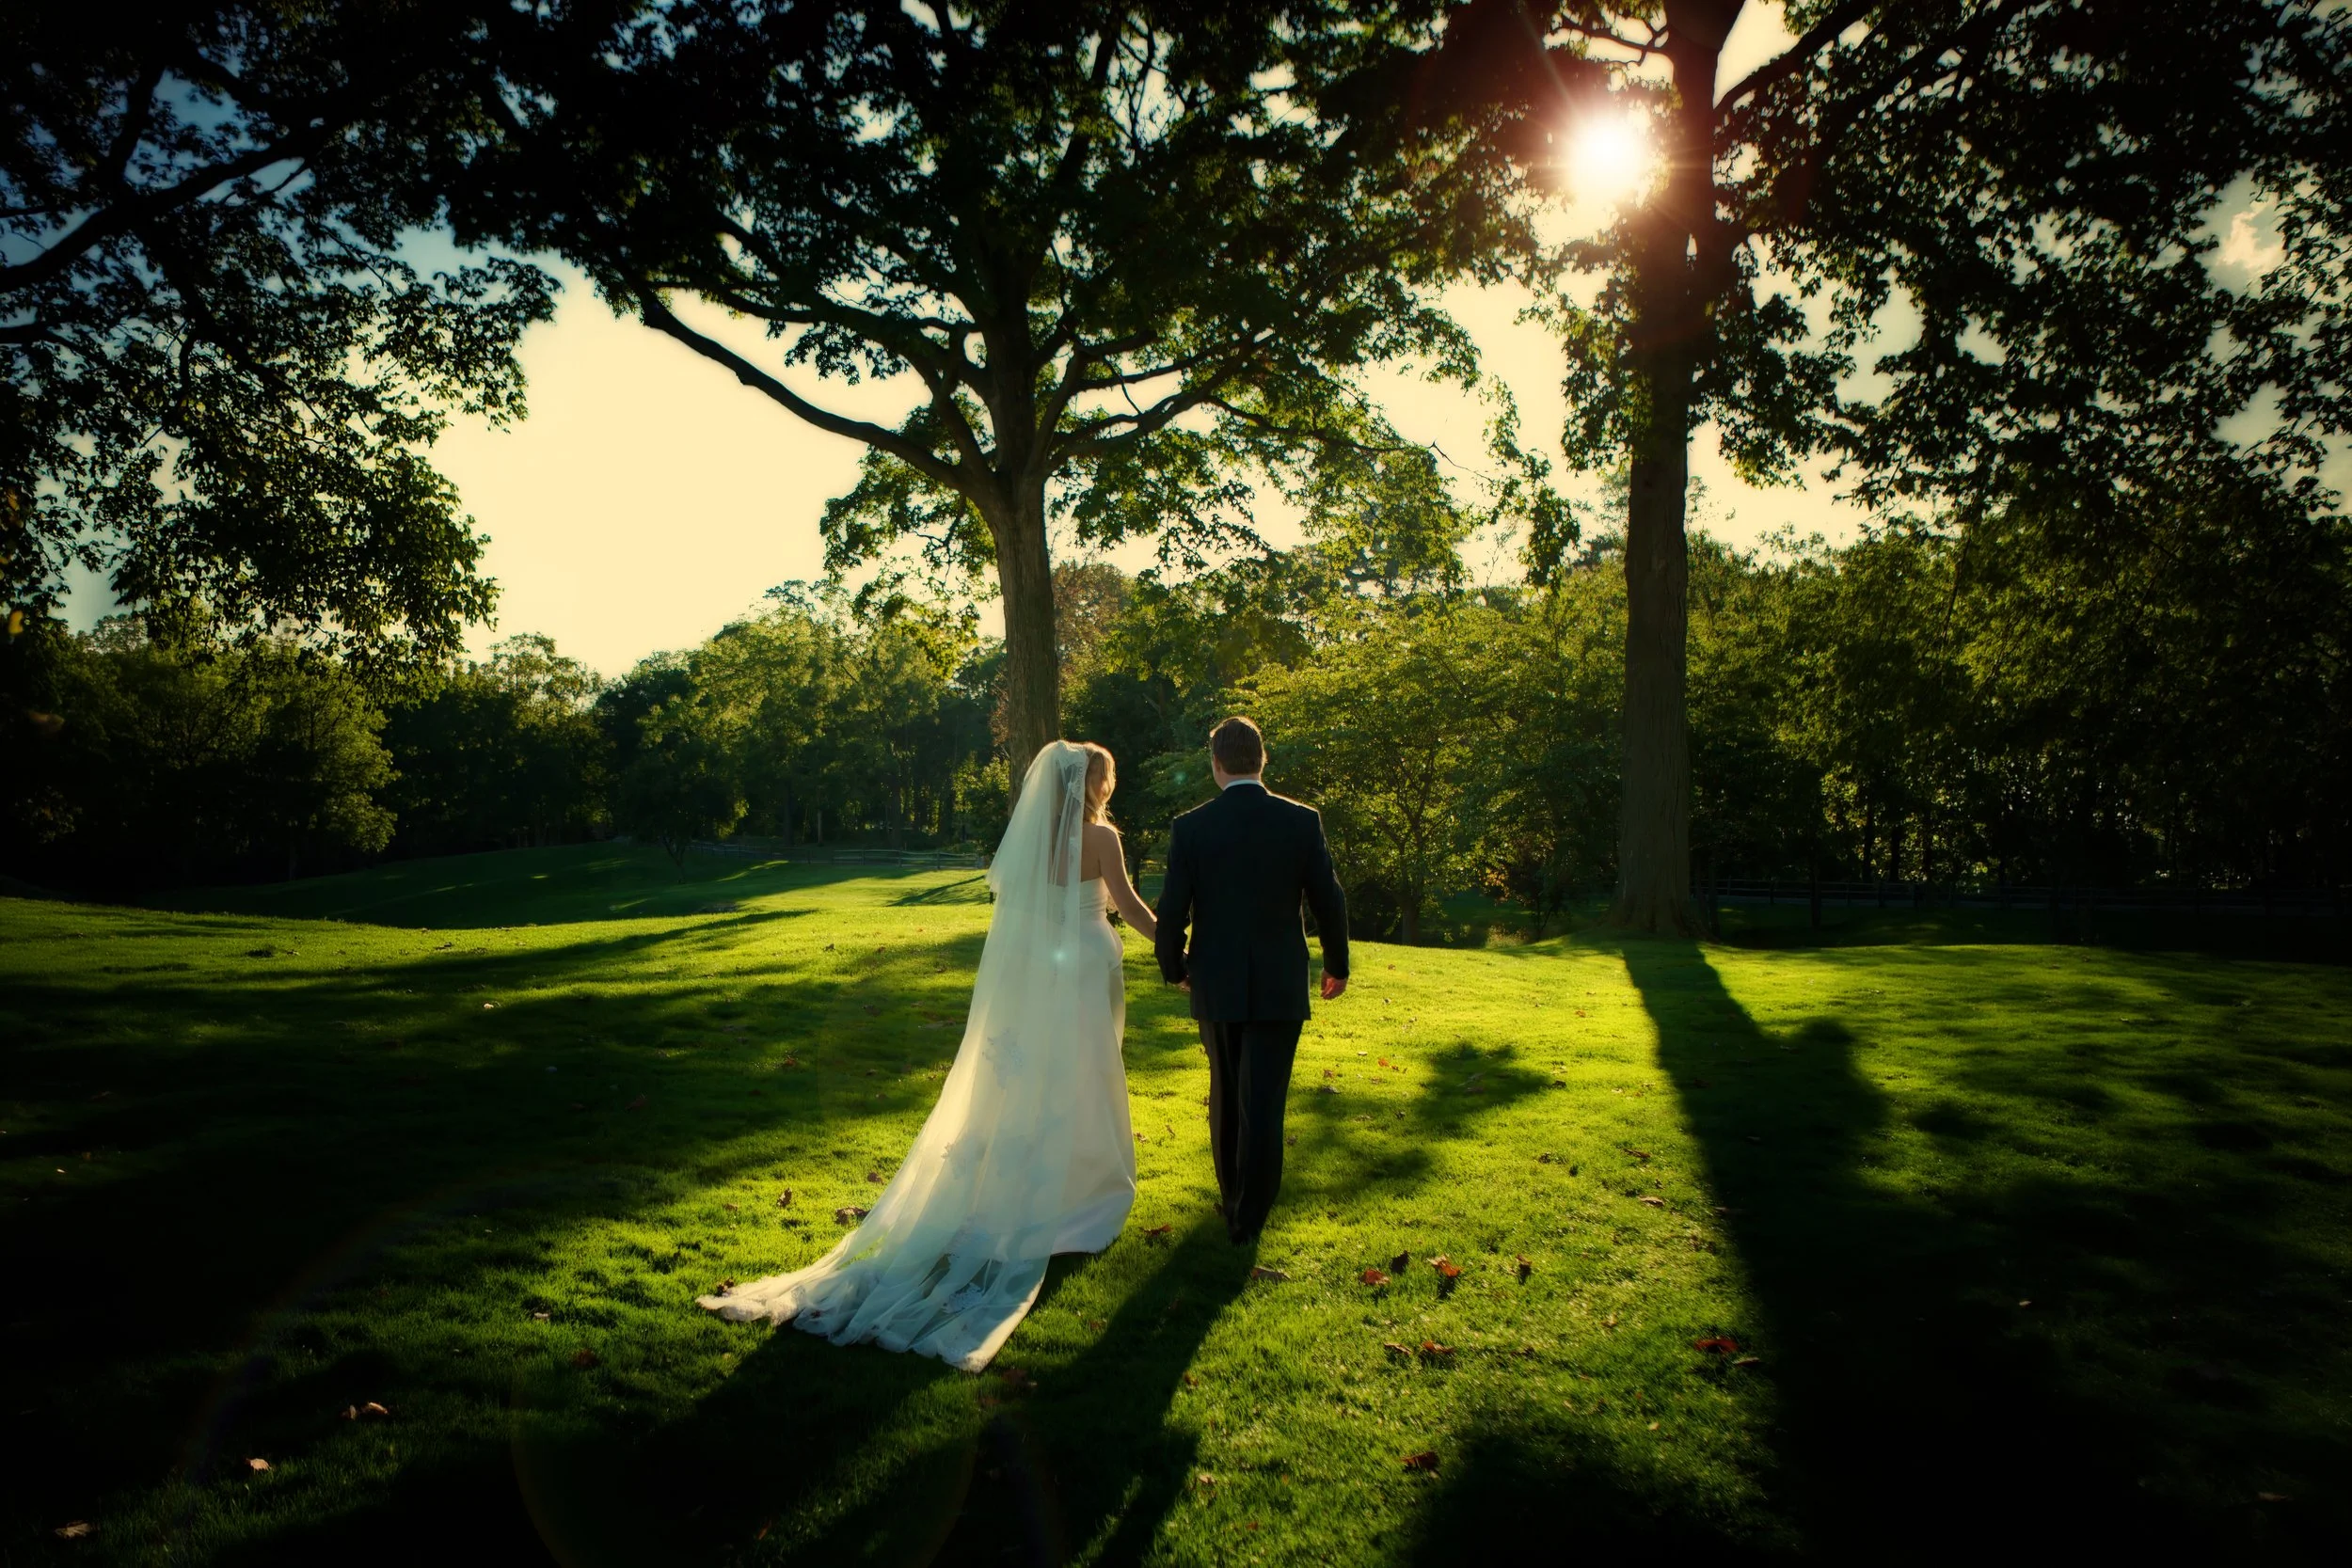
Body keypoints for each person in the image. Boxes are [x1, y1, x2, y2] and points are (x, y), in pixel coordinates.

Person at [699, 740, 1155, 1370]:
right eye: (1105, 777)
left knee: (1038, 1079)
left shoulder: (1029, 842)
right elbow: (1128, 906)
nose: (1108, 787)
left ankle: (1030, 1182)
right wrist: (1178, 942)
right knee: (1086, 1075)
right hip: (1084, 969)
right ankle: (1081, 1192)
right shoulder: (1099, 837)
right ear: (1090, 785)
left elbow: (1018, 918)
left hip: (1040, 977)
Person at [1153, 716, 1349, 1244]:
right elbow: (1328, 898)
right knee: (1264, 1098)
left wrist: (1174, 967)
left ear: (1216, 764)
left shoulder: (1191, 827)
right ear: (1262, 761)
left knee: (1226, 1093)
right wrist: (1337, 964)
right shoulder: (1301, 821)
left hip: (1215, 979)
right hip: (1281, 981)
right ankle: (1253, 1212)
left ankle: (1233, 1196)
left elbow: (1173, 910)